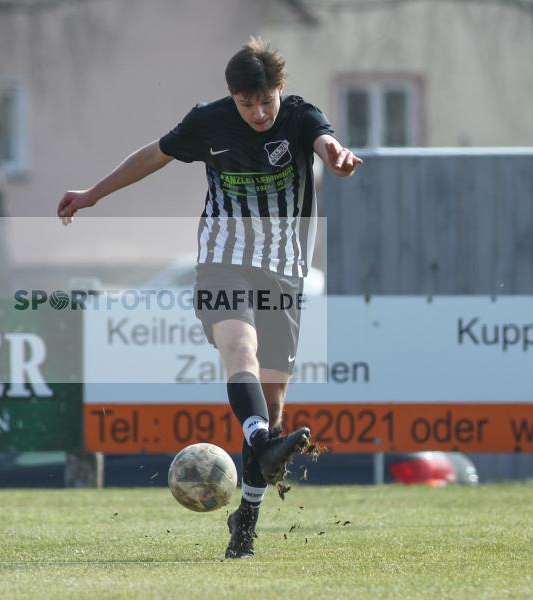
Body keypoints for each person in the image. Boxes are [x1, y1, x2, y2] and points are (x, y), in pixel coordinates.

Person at [58, 37, 361, 558]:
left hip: (285, 276)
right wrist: (92, 194)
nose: (259, 112)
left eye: (266, 100)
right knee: (239, 350)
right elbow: (152, 156)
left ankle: (246, 516)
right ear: (232, 98)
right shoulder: (208, 122)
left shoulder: (299, 116)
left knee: (272, 409)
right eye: (248, 104)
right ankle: (261, 445)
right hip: (224, 262)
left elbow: (323, 141)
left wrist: (333, 155)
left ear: (280, 90)